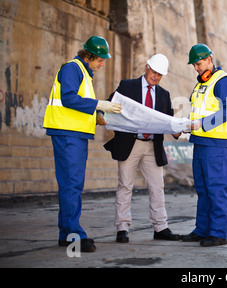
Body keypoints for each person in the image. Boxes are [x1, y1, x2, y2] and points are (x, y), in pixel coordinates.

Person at [43, 36, 122, 253]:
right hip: (68, 134)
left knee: (72, 184)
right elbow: (68, 98)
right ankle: (73, 235)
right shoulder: (73, 68)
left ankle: (65, 233)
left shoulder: (83, 73)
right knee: (72, 184)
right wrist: (99, 104)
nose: (102, 63)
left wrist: (95, 115)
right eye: (100, 59)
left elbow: (76, 103)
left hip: (74, 134)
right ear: (89, 56)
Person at [101, 54, 181, 243]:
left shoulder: (164, 94)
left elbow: (168, 121)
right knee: (125, 185)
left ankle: (160, 228)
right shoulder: (127, 86)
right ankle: (122, 228)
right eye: (154, 72)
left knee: (157, 187)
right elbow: (111, 105)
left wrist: (179, 129)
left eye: (160, 74)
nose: (156, 77)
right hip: (131, 143)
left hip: (152, 146)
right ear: (146, 67)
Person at [180, 44, 227, 247]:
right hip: (200, 142)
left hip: (217, 145)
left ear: (210, 59)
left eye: (199, 63)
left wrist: (201, 124)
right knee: (203, 189)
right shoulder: (201, 84)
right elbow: (196, 111)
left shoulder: (223, 82)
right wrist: (183, 126)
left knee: (216, 189)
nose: (196, 68)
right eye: (194, 65)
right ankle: (202, 230)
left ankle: (218, 233)